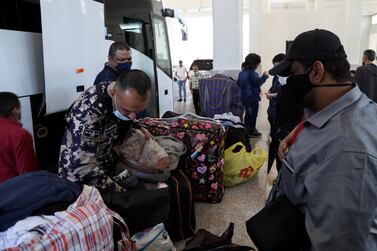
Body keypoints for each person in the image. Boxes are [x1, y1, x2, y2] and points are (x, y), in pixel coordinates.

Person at [269, 29, 377, 250]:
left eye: (293, 73)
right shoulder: (341, 106)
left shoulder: (348, 152)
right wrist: (296, 133)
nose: (289, 82)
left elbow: (339, 243)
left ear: (317, 71)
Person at [59, 70, 151, 192]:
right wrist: (120, 191)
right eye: (127, 110)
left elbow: (127, 118)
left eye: (138, 111)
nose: (133, 116)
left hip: (104, 166)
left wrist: (137, 127)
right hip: (80, 182)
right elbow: (83, 168)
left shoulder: (119, 94)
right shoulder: (89, 113)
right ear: (113, 93)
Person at [94, 41, 149, 118]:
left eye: (129, 59)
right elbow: (115, 112)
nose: (126, 63)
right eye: (121, 60)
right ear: (110, 59)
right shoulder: (106, 79)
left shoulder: (124, 74)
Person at [0, 92, 38, 183]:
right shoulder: (20, 135)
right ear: (15, 110)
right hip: (13, 192)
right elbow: (28, 174)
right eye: (20, 108)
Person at [237, 53, 269, 137]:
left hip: (244, 98)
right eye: (258, 64)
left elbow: (238, 84)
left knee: (248, 114)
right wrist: (264, 76)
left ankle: (247, 129)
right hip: (252, 98)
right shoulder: (251, 73)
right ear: (254, 64)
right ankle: (251, 130)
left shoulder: (242, 73)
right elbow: (257, 82)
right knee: (253, 114)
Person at [265, 53, 286, 173]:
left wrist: (272, 96)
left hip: (281, 118)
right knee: (274, 143)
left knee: (277, 146)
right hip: (273, 114)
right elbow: (273, 89)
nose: (276, 70)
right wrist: (269, 92)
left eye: (278, 66)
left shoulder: (289, 78)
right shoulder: (276, 77)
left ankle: (278, 173)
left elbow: (286, 95)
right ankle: (269, 170)